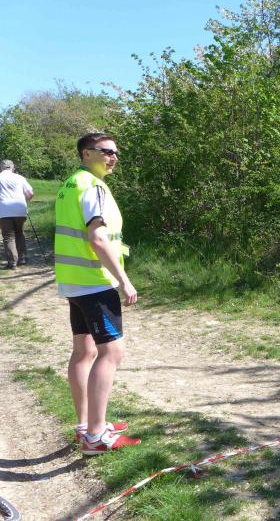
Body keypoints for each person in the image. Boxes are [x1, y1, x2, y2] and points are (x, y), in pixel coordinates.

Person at [55, 132, 140, 455]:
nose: (113, 157)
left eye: (115, 152)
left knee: (84, 351)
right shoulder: (92, 187)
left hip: (74, 281)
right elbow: (98, 238)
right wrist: (123, 280)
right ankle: (96, 436)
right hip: (95, 281)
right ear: (86, 153)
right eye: (106, 151)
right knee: (111, 353)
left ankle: (86, 425)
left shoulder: (70, 184)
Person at [0, 159, 34, 270]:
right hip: (20, 209)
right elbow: (30, 193)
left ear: (1, 167)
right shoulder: (20, 178)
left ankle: (12, 262)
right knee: (19, 233)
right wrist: (25, 201)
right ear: (12, 167)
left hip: (4, 210)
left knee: (8, 236)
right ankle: (22, 259)